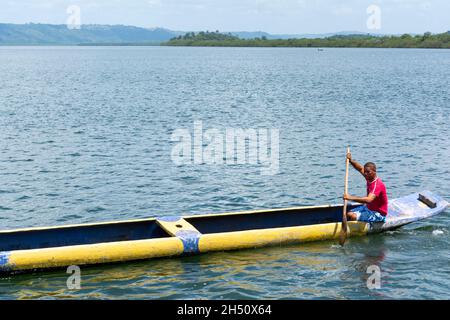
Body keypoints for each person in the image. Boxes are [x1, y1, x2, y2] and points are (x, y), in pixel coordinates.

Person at [343, 153, 389, 223]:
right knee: (349, 213)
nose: (366, 174)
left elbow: (368, 200)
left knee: (352, 216)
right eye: (365, 172)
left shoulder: (377, 185)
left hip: (378, 214)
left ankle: (356, 229)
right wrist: (351, 161)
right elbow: (360, 168)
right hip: (368, 208)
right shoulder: (368, 177)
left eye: (368, 172)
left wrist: (350, 197)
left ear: (374, 172)